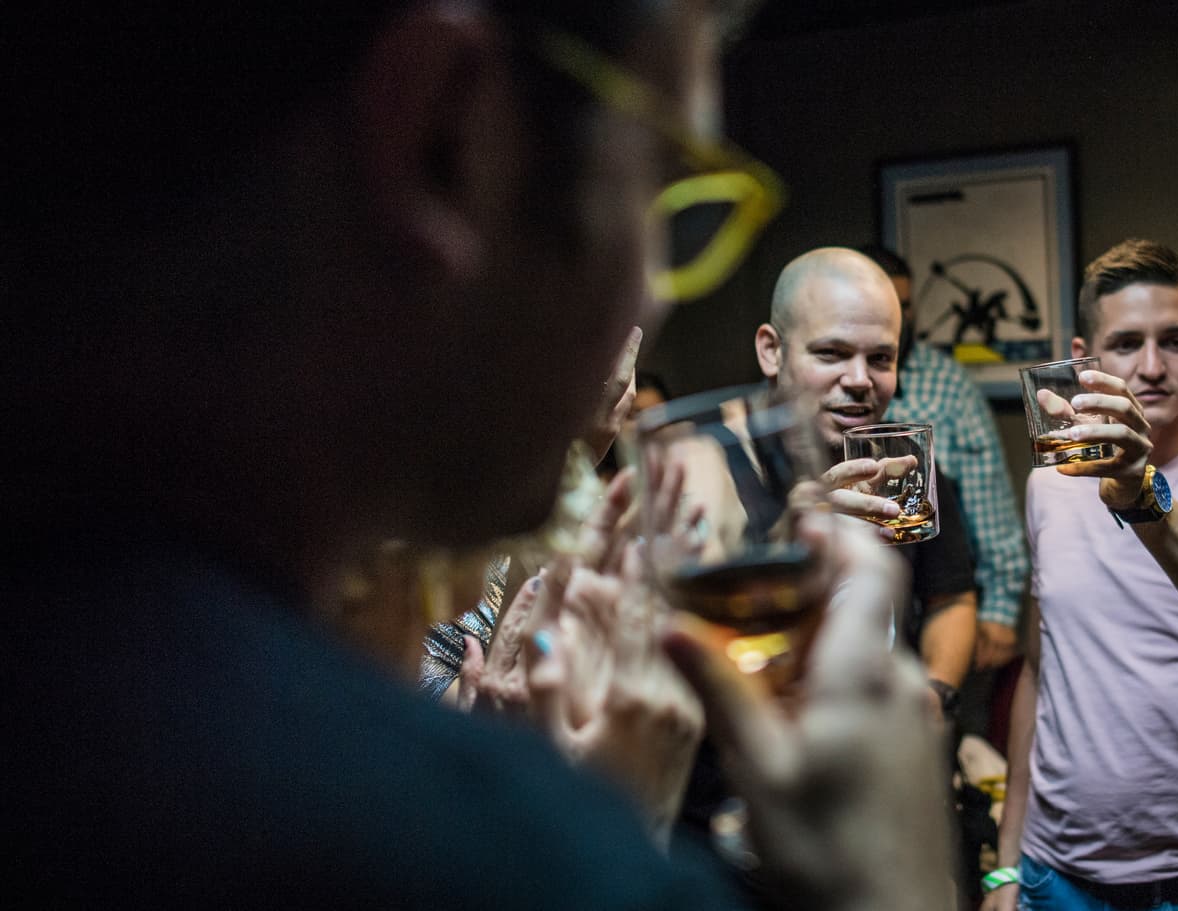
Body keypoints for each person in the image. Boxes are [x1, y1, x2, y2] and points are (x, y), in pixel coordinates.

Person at [6, 2, 953, 908]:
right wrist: (883, 882)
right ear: (447, 136)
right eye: (659, 185)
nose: (653, 300)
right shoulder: (436, 851)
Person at [983, 240, 1178, 911]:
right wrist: (1005, 864)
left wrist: (1140, 491)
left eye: (1174, 341)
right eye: (1126, 344)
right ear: (1085, 357)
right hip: (1054, 876)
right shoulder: (1049, 482)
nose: (1151, 366)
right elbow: (1039, 670)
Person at [755, 247, 978, 719]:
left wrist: (934, 697)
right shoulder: (713, 471)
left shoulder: (905, 464)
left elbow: (951, 598)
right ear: (772, 351)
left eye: (880, 358)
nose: (859, 379)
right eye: (831, 353)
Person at [856, 244, 1029, 673]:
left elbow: (988, 502)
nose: (899, 318)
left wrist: (999, 610)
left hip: (932, 608)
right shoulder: (834, 396)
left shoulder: (949, 385)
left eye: (906, 306)